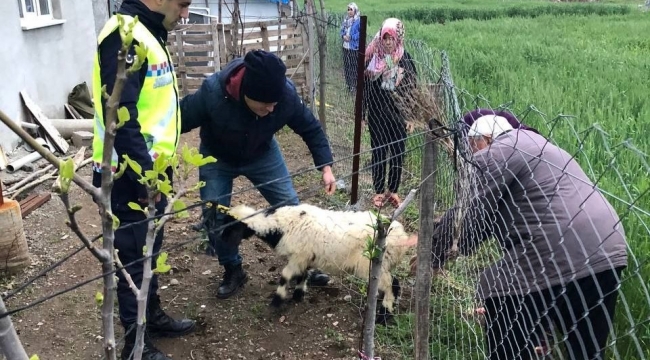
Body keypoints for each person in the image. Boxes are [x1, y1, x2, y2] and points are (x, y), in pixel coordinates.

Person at [414, 112, 628, 360]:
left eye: (472, 147)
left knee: (498, 286)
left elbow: (469, 215)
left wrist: (433, 254)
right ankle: (539, 342)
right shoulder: (541, 145)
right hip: (608, 247)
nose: (472, 155)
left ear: (484, 140)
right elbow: (487, 217)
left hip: (559, 241)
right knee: (586, 348)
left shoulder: (496, 153)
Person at [180, 49, 337, 300]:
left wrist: (326, 168)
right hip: (217, 156)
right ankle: (233, 269)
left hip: (262, 154)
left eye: (275, 104)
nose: (272, 109)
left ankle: (304, 265)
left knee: (291, 210)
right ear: (246, 93)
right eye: (265, 105)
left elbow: (310, 127)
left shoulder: (283, 96)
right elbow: (179, 118)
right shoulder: (213, 93)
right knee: (214, 212)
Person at [91, 1, 196, 359]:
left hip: (151, 170)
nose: (185, 14)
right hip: (127, 174)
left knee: (150, 249)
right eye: (184, 4)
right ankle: (135, 345)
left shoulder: (148, 32)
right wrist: (144, 174)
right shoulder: (125, 35)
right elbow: (120, 116)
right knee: (132, 258)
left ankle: (151, 317)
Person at [363, 18, 417, 208]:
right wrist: (363, 113)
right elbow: (365, 89)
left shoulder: (405, 59)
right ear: (380, 38)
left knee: (397, 152)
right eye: (385, 38)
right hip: (377, 113)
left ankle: (393, 191)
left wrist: (411, 116)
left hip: (398, 115)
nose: (387, 42)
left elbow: (412, 88)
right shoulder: (373, 59)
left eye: (391, 38)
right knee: (378, 151)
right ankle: (378, 191)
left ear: (398, 39)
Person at [340, 2, 361, 92]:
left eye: (351, 9)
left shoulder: (358, 21)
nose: (349, 11)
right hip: (346, 46)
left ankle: (354, 86)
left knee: (353, 66)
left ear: (355, 10)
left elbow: (361, 33)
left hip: (354, 47)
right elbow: (341, 30)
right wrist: (343, 36)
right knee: (347, 66)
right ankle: (348, 85)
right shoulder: (346, 20)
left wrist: (351, 37)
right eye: (348, 9)